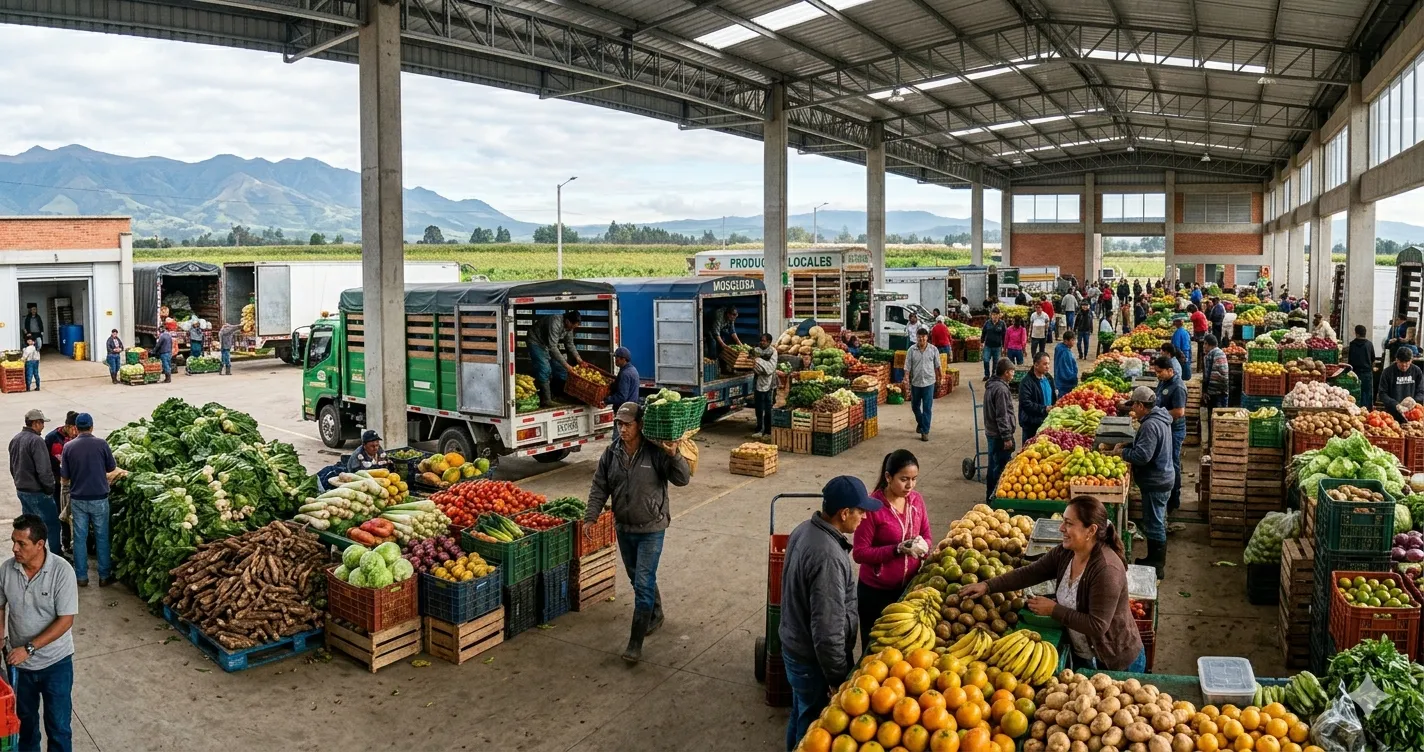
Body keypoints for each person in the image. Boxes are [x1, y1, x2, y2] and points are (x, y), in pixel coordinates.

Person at [959, 496, 1144, 671]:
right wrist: (988, 586)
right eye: (1063, 521)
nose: (1061, 528)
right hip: (1084, 655)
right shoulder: (1066, 553)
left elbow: (1097, 626)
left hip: (1115, 660)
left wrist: (1053, 610)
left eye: (1069, 523)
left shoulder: (1106, 569)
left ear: (1091, 530)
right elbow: (1030, 573)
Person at [584, 402, 691, 663]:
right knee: (638, 578)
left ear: (640, 425)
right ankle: (656, 613)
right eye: (619, 424)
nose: (623, 429)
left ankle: (635, 643)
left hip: (652, 527)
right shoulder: (611, 453)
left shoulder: (656, 451)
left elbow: (682, 479)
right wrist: (590, 517)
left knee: (643, 582)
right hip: (624, 527)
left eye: (628, 424)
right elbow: (600, 486)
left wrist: (674, 454)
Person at [779, 476, 879, 751]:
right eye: (861, 511)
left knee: (800, 711)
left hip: (794, 645)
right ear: (844, 513)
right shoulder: (828, 557)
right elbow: (827, 631)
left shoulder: (805, 529)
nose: (864, 517)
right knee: (813, 726)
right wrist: (837, 678)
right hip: (812, 660)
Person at [1, 514, 78, 752]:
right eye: (13, 541)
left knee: (58, 726)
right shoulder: (7, 569)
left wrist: (29, 648)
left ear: (40, 544)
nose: (14, 549)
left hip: (56, 663)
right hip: (19, 666)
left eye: (21, 543)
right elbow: (0, 606)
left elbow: (66, 620)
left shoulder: (62, 572)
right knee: (25, 724)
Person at [851, 451, 931, 653]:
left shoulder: (916, 501)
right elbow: (860, 553)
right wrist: (896, 549)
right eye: (904, 479)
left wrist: (924, 548)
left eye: (914, 479)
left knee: (903, 650)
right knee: (874, 649)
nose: (910, 485)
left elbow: (926, 535)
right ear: (888, 477)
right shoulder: (873, 508)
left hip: (908, 589)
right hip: (876, 593)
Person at [1111, 387, 1175, 578]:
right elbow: (1149, 446)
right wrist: (1130, 444)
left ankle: (1156, 565)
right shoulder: (1159, 418)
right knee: (1158, 520)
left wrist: (1122, 453)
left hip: (1156, 480)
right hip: (1162, 477)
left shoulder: (1150, 425)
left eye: (1134, 405)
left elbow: (1143, 456)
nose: (1132, 409)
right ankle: (1153, 559)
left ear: (1140, 405)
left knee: (1155, 523)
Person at [60, 414, 121, 588]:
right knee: (102, 537)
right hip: (99, 498)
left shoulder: (68, 447)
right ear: (92, 427)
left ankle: (81, 577)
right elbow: (111, 467)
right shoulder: (101, 444)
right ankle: (104, 576)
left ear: (76, 428)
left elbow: (65, 477)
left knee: (79, 539)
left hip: (78, 499)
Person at [8, 411, 63, 555]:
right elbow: (44, 470)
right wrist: (49, 488)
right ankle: (56, 555)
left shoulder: (15, 439)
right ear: (35, 423)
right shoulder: (36, 441)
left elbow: (12, 467)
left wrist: (18, 483)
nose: (43, 426)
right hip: (37, 492)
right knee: (52, 525)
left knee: (30, 527)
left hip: (22, 490)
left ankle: (31, 554)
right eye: (42, 423)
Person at [1153, 355, 1187, 515]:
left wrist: (1157, 414)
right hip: (1164, 427)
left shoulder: (1178, 387)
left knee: (1172, 462)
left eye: (1159, 371)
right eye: (1156, 371)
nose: (1157, 374)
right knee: (1164, 461)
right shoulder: (1163, 381)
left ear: (1170, 370)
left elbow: (1179, 412)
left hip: (1174, 430)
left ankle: (1174, 498)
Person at [530, 310, 583, 406]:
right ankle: (546, 399)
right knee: (544, 369)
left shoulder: (569, 328)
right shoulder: (555, 322)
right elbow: (553, 347)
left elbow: (570, 343)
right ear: (567, 321)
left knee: (561, 369)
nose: (572, 329)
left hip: (548, 344)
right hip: (536, 341)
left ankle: (557, 394)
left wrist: (578, 359)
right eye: (573, 326)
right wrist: (567, 365)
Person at [43, 414, 78, 559]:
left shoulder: (77, 439)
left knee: (72, 515)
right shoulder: (52, 438)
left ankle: (71, 543)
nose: (76, 433)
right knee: (60, 514)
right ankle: (63, 543)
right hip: (57, 484)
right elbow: (44, 461)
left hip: (74, 484)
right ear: (68, 426)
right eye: (74, 429)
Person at [984, 358, 1017, 504]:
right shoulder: (1001, 390)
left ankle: (990, 497)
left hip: (991, 432)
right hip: (998, 435)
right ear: (1006, 372)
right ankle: (994, 499)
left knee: (993, 466)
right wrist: (1007, 437)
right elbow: (1002, 415)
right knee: (999, 469)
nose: (1013, 374)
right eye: (1012, 371)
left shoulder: (992, 385)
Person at [905, 328, 941, 442]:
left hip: (929, 382)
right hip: (916, 382)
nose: (921, 339)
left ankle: (925, 431)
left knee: (927, 408)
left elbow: (938, 366)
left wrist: (940, 378)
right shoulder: (911, 350)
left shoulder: (933, 349)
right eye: (919, 337)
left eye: (924, 337)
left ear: (927, 337)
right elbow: (907, 367)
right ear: (916, 337)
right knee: (915, 406)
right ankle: (921, 423)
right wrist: (906, 378)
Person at [1376, 347, 1424, 424]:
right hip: (1392, 414)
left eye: (1407, 363)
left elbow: (1421, 391)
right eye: (1401, 363)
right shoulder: (1387, 372)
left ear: (1411, 360)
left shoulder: (1417, 371)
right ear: (1396, 360)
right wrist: (1395, 404)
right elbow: (1382, 393)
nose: (1404, 366)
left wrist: (1414, 401)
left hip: (1412, 414)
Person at [1018, 352, 1056, 444]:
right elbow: (1026, 404)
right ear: (1036, 365)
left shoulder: (1049, 378)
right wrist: (1044, 409)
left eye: (1048, 364)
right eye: (1045, 364)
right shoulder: (1026, 382)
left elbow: (1053, 396)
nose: (1047, 367)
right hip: (1032, 424)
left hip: (1046, 422)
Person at [1202, 335, 1230, 435]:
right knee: (1221, 415)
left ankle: (1215, 436)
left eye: (1204, 344)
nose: (1203, 346)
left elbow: (1208, 374)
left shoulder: (1212, 355)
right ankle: (1220, 435)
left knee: (1215, 416)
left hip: (1215, 391)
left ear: (1208, 344)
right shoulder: (1219, 353)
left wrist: (1206, 391)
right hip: (1221, 390)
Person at [751, 335, 778, 439]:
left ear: (769, 342)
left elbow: (770, 368)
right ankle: (759, 428)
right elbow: (752, 365)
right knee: (758, 408)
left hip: (769, 384)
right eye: (761, 341)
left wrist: (758, 361)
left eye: (764, 341)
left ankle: (768, 431)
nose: (762, 342)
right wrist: (758, 365)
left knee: (768, 408)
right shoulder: (756, 350)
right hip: (758, 383)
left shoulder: (773, 352)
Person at [1349, 325, 1377, 409]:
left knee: (1356, 392)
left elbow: (1350, 360)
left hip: (1355, 372)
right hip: (1367, 372)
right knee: (1367, 392)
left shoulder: (1352, 344)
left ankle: (1356, 409)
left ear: (1357, 333)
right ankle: (1367, 410)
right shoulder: (1369, 344)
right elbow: (1373, 359)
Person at [606, 347, 640, 412]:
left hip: (625, 411)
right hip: (632, 408)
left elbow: (621, 397)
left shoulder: (625, 374)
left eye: (617, 358)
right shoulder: (633, 370)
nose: (615, 360)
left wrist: (606, 399)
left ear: (623, 359)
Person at [980, 308, 1006, 381]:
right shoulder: (987, 323)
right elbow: (983, 333)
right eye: (993, 314)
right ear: (991, 315)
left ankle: (994, 375)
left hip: (997, 347)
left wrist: (1004, 346)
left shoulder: (1002, 324)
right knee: (986, 360)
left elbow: (1004, 336)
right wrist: (982, 342)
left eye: (996, 315)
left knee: (996, 362)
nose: (995, 316)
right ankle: (987, 375)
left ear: (999, 315)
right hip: (988, 346)